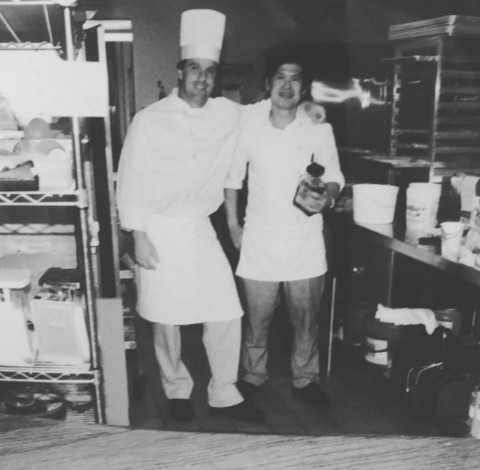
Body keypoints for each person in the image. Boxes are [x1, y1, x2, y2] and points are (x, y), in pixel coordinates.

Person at [116, 9, 264, 424]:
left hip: (199, 228)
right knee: (166, 319)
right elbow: (130, 180)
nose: (202, 77)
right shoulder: (149, 120)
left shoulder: (227, 113)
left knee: (225, 310)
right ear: (180, 72)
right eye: (195, 68)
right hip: (158, 227)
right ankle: (176, 387)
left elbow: (268, 111)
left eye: (210, 70)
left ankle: (223, 390)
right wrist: (138, 235)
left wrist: (308, 107)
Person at [224, 51, 344, 407]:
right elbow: (232, 179)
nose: (287, 86)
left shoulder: (318, 127)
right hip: (259, 238)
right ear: (268, 84)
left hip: (304, 240)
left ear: (304, 88)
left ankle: (305, 379)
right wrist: (233, 226)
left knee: (306, 320)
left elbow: (335, 177)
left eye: (295, 79)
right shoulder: (249, 122)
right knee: (257, 318)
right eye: (280, 77)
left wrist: (329, 197)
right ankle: (252, 375)